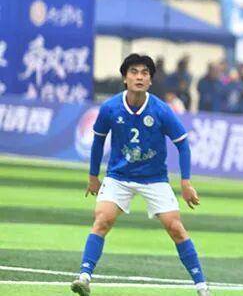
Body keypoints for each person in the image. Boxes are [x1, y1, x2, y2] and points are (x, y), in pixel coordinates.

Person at [71, 54, 209, 296]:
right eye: (134, 72)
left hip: (154, 179)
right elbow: (98, 141)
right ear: (125, 78)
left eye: (145, 73)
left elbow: (183, 144)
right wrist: (93, 176)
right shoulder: (110, 107)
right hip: (118, 176)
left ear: (150, 80)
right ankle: (84, 277)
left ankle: (202, 286)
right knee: (102, 220)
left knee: (175, 227)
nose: (139, 77)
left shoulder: (161, 110)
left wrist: (186, 182)